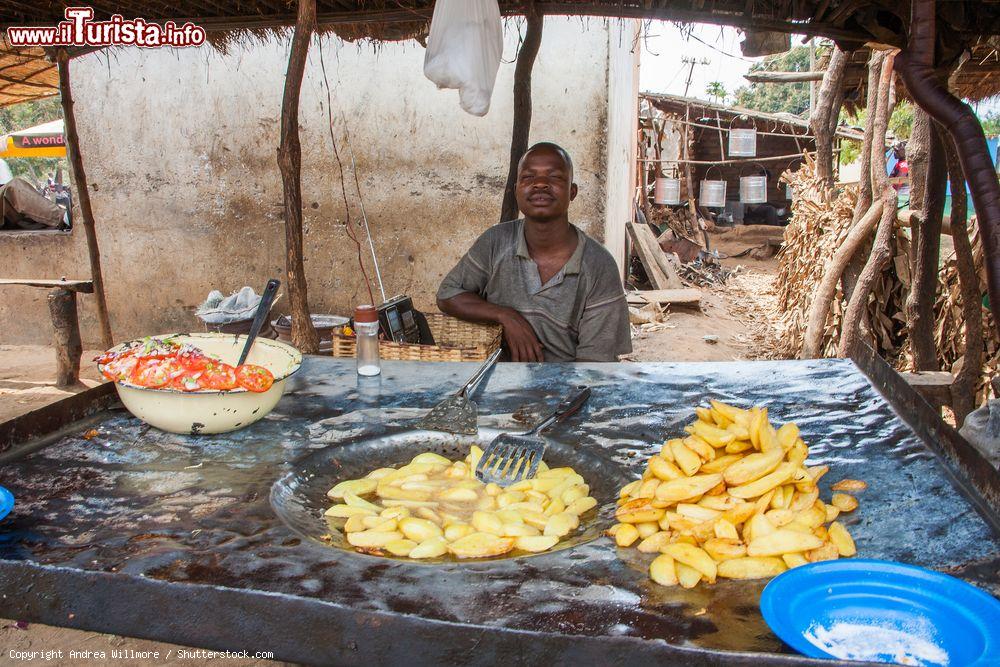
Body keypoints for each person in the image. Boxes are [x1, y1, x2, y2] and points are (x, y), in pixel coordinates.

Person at [437, 142, 631, 362]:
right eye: (528, 177)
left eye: (555, 177)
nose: (540, 184)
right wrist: (505, 315)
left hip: (567, 387)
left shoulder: (598, 265)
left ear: (572, 192)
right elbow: (447, 294)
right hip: (496, 385)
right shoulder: (496, 242)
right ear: (516, 189)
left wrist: (549, 392)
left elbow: (595, 365)